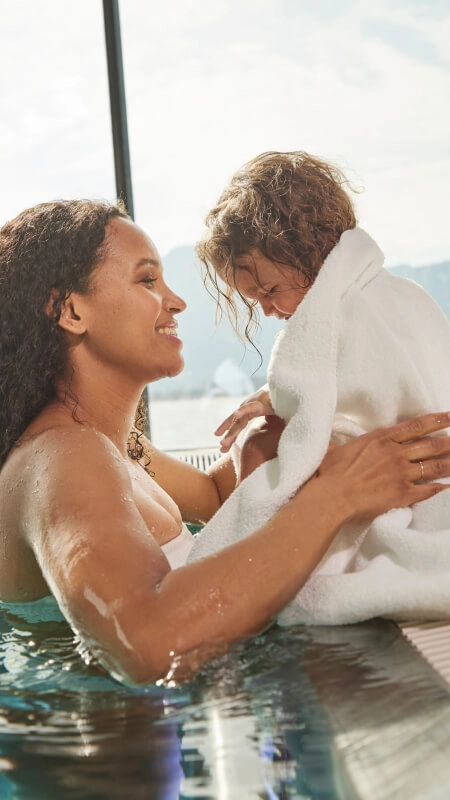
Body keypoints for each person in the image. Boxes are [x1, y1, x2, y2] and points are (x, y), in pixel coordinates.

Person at [0, 200, 449, 687]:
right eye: (147, 281)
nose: (176, 302)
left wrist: (296, 415)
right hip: (112, 753)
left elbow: (216, 499)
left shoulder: (113, 448)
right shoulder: (65, 456)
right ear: (70, 310)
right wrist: (338, 495)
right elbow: (147, 645)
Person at [189, 150, 450, 626]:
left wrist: (273, 416)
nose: (268, 312)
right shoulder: (407, 297)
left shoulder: (330, 320)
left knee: (260, 445)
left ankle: (256, 576)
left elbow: (319, 419)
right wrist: (273, 399)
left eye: (269, 292)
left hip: (408, 494)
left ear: (308, 253)